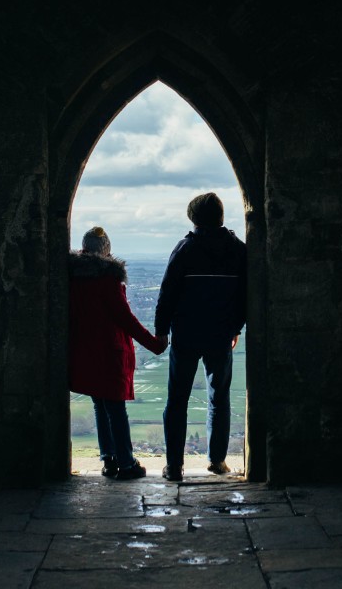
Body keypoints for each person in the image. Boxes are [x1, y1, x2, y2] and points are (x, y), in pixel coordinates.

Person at [155, 192, 247, 481]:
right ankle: (217, 461)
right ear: (220, 216)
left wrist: (160, 330)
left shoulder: (185, 249)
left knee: (177, 399)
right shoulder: (239, 250)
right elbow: (246, 296)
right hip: (220, 333)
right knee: (219, 397)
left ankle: (174, 465)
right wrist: (236, 327)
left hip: (186, 334)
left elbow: (167, 293)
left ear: (193, 218)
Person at [68, 226, 166, 480]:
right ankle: (126, 462)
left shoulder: (74, 277)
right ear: (107, 250)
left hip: (86, 351)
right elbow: (125, 319)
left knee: (100, 405)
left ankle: (109, 458)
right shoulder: (108, 279)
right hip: (110, 353)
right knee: (115, 408)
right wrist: (154, 344)